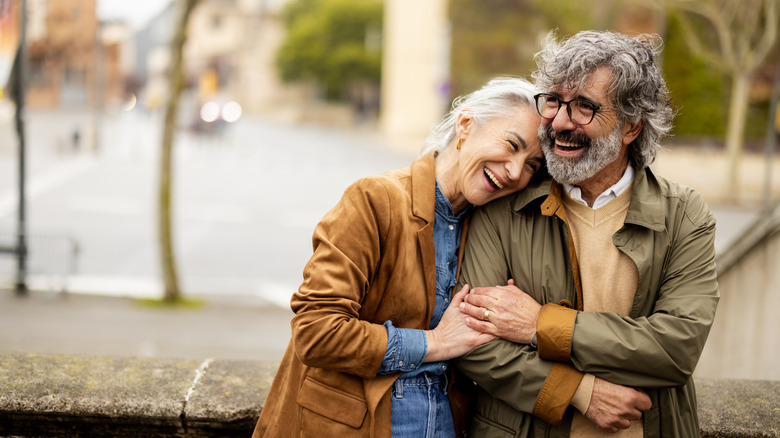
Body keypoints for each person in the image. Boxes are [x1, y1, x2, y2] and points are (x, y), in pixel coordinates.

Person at [454, 30, 719, 437]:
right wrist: (578, 391)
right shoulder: (505, 202)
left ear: (630, 126)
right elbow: (475, 341)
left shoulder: (684, 214)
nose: (560, 121)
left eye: (583, 108)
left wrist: (540, 324)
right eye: (555, 102)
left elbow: (675, 348)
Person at [253, 77, 546, 437]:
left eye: (532, 165)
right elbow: (316, 332)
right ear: (465, 125)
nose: (516, 172)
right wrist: (434, 343)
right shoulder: (375, 200)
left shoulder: (490, 226)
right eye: (511, 145)